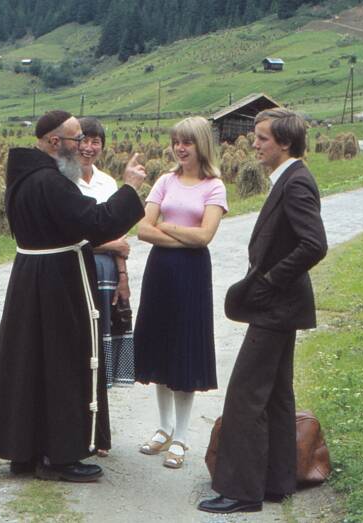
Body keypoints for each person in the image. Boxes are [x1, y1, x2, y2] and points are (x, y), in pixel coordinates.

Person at [0, 110, 146, 483]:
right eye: (76, 139)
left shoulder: (24, 176)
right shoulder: (51, 183)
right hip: (58, 279)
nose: (83, 146)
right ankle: (61, 456)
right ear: (55, 142)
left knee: (31, 362)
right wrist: (130, 188)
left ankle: (25, 450)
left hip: (30, 276)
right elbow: (98, 224)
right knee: (64, 362)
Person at [198, 108, 328, 513]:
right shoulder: (290, 177)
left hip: (276, 307)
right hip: (280, 308)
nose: (254, 144)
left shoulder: (296, 181)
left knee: (246, 396)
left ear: (285, 143)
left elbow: (314, 244)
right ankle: (276, 483)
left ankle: (241, 492)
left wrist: (271, 281)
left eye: (262, 138)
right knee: (275, 396)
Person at [134, 116, 228, 469]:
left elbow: (204, 237)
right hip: (160, 271)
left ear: (201, 144)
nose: (180, 148)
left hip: (192, 274)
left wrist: (167, 226)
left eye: (187, 142)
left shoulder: (214, 186)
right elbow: (143, 229)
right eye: (176, 142)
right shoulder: (165, 180)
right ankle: (164, 429)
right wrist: (182, 235)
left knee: (184, 350)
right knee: (161, 346)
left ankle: (182, 437)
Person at [75, 116, 136, 457]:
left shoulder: (108, 183)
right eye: (83, 140)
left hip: (108, 272)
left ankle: (99, 432)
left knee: (103, 346)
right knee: (81, 348)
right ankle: (78, 429)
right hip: (79, 270)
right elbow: (74, 236)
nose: (89, 147)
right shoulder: (64, 181)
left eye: (95, 141)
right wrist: (110, 245)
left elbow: (120, 236)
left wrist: (123, 277)